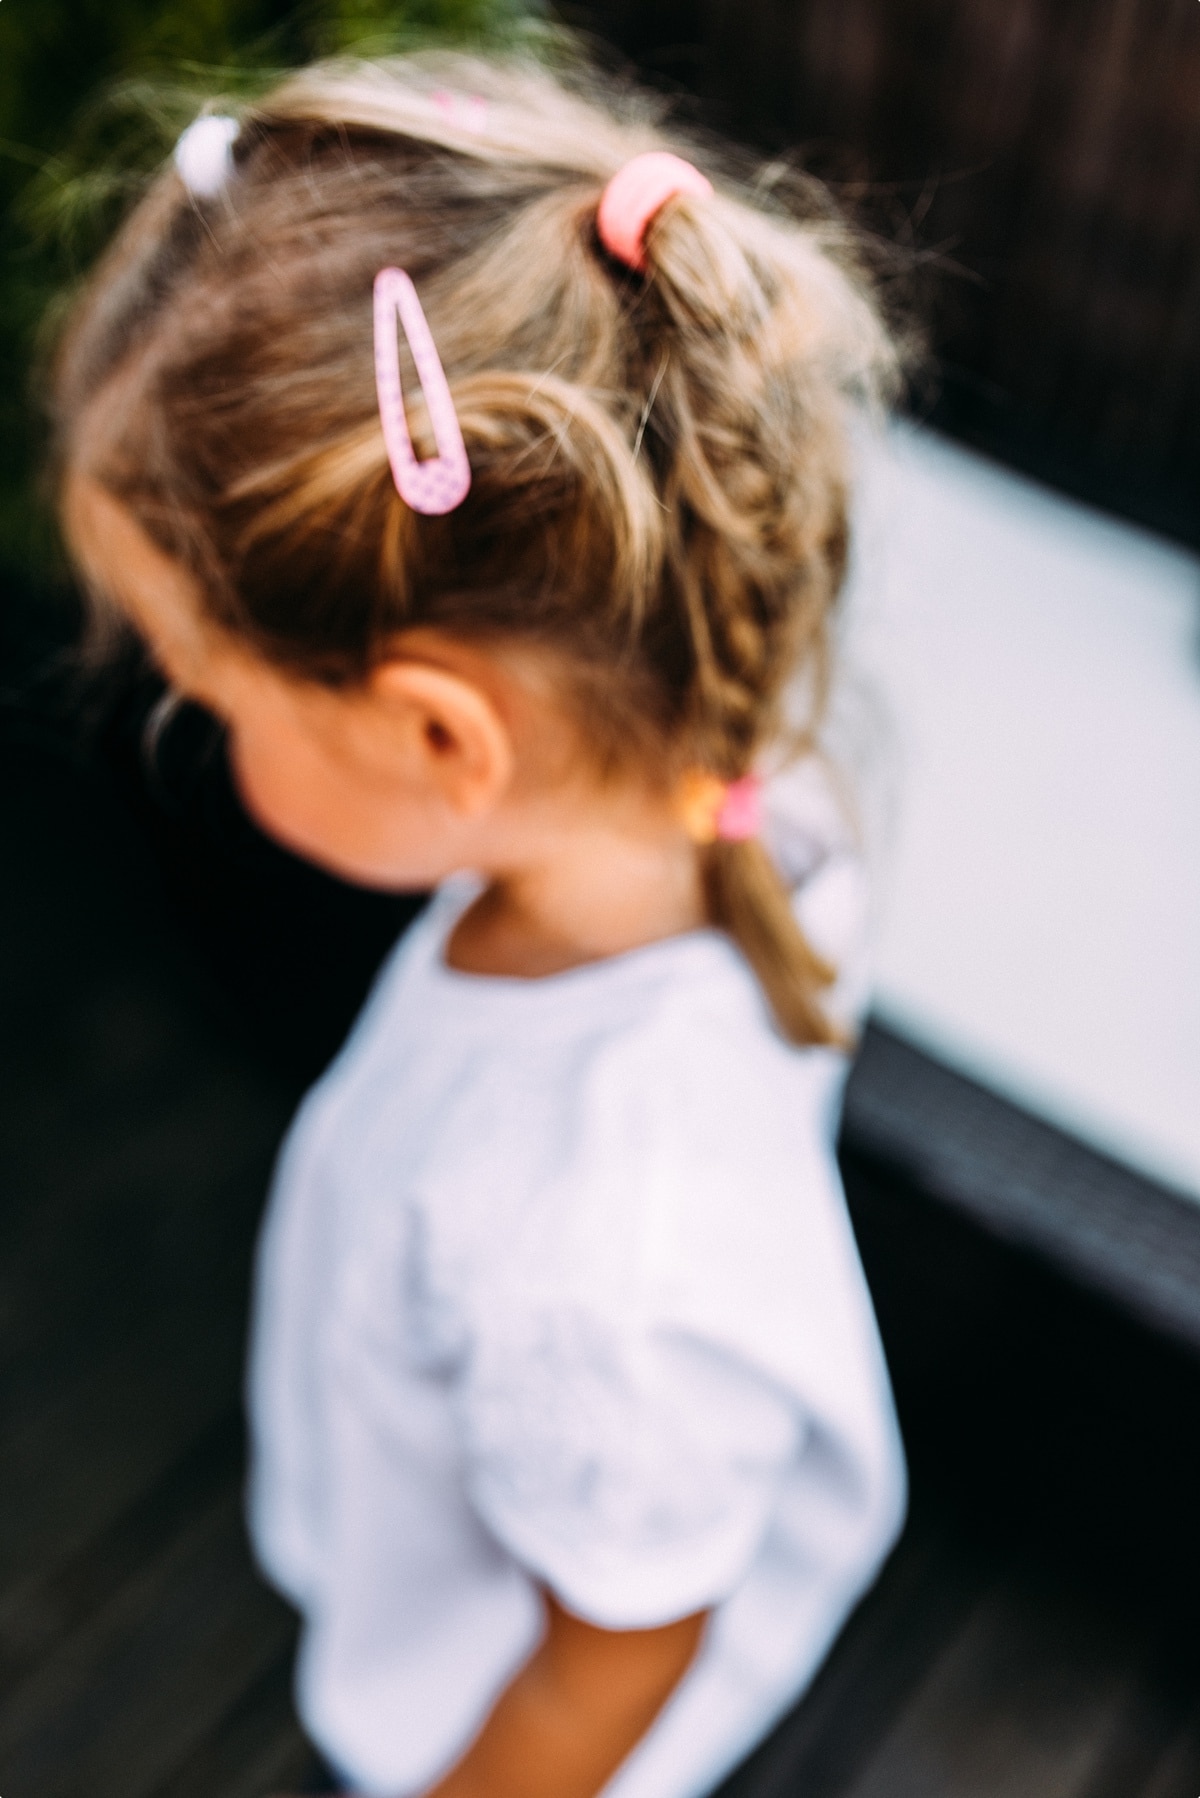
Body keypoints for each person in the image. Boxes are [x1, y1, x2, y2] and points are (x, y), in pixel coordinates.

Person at [54, 51, 906, 1798]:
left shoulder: (598, 1266)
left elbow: (621, 1639)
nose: (198, 741)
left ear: (448, 738)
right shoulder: (725, 788)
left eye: (212, 701)